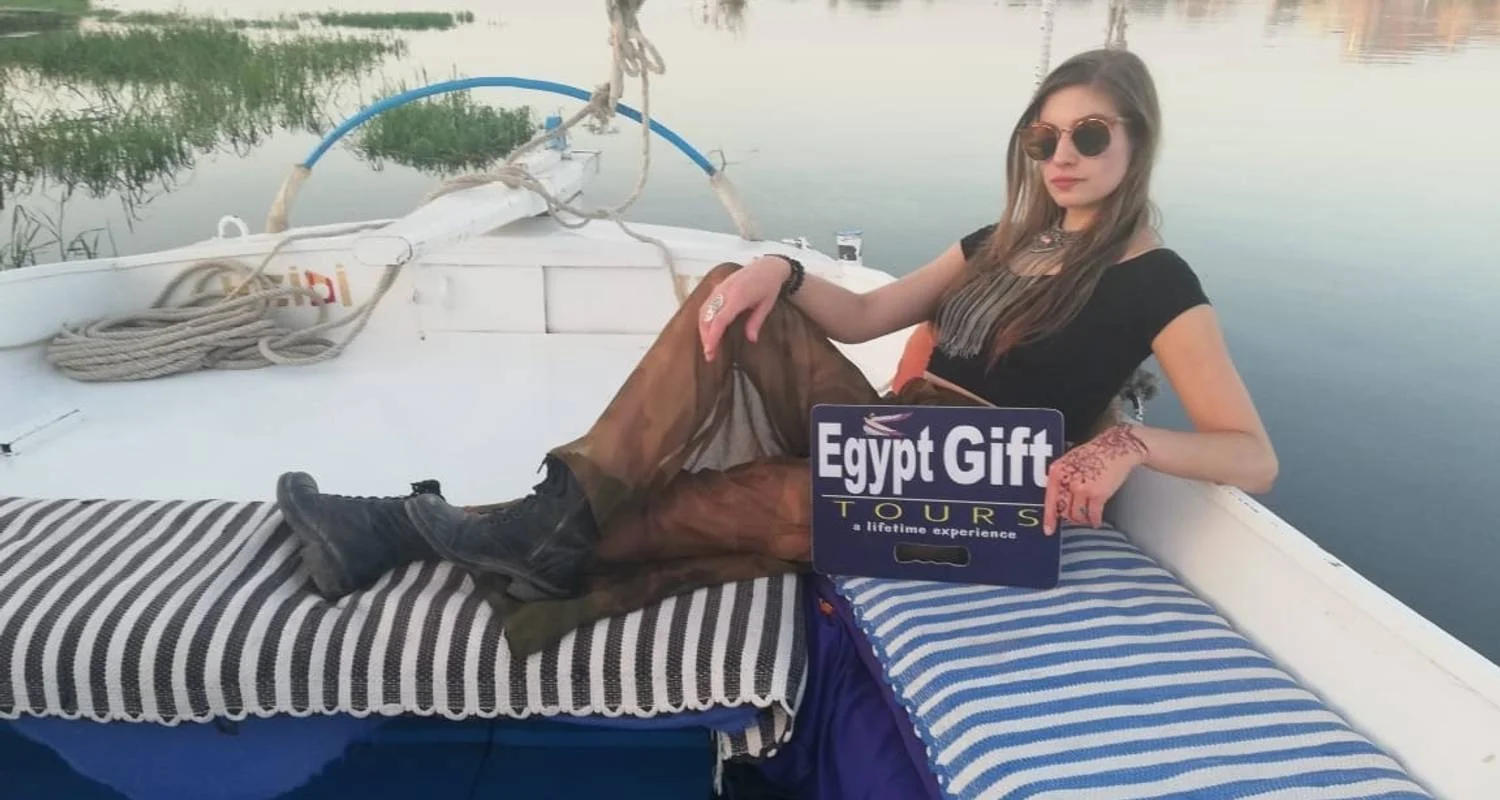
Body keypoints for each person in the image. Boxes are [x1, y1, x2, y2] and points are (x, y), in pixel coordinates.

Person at [274, 48, 1277, 657]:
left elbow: (1251, 452)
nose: (1060, 157)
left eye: (1089, 136)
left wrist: (1128, 446)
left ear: (1136, 144)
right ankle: (524, 521)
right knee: (733, 288)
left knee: (697, 507)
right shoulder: (1003, 242)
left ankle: (400, 527)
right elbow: (869, 312)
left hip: (971, 497)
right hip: (890, 432)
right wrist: (780, 272)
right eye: (1041, 138)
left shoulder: (1159, 281)